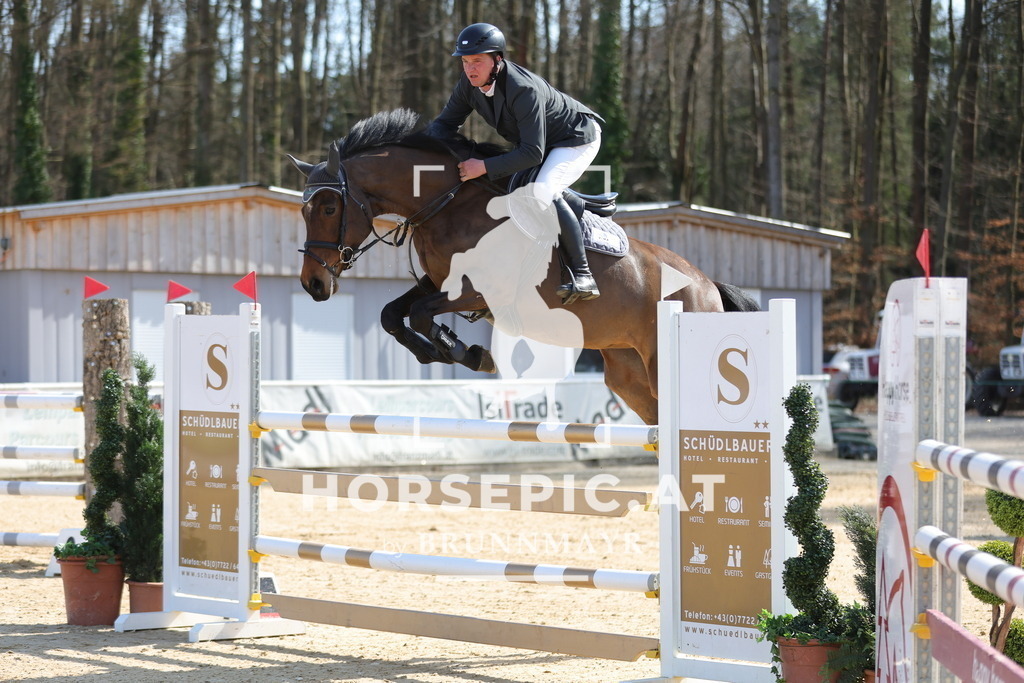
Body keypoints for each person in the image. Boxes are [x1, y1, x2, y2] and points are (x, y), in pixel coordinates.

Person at [427, 22, 604, 303]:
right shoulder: (468, 85)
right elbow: (444, 126)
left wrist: (482, 167)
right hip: (542, 143)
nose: (470, 68)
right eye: (465, 61)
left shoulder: (523, 90)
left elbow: (532, 153)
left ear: (497, 60)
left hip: (576, 138)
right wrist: (413, 148)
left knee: (543, 191)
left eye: (477, 61)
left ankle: (583, 275)